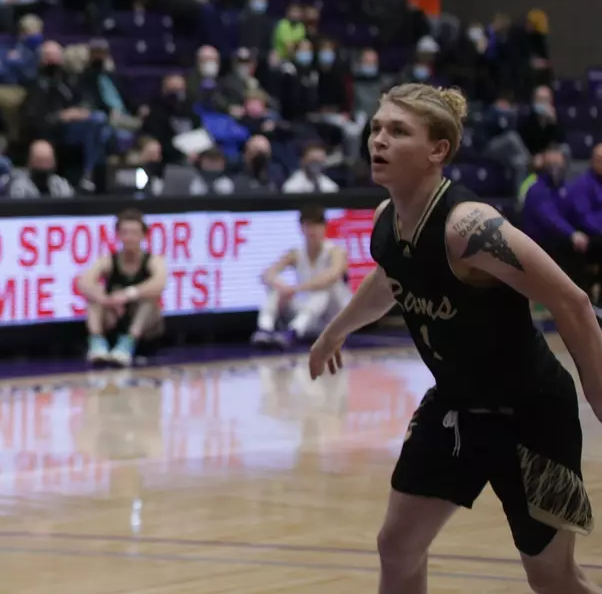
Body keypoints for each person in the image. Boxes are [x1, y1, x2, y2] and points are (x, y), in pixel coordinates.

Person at [309, 84, 602, 593]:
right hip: (455, 409)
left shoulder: (468, 227)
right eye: (376, 128)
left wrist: (599, 397)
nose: (379, 139)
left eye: (398, 131)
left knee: (551, 577)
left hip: (531, 416)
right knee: (397, 547)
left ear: (437, 150)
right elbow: (391, 279)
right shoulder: (387, 220)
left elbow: (572, 302)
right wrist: (334, 332)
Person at [76, 208, 167, 367]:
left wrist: (128, 294)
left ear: (143, 235)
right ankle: (97, 343)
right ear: (118, 235)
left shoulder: (153, 260)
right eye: (125, 233)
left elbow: (160, 283)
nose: (129, 238)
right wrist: (105, 299)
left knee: (151, 296)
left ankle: (128, 342)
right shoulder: (109, 260)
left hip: (143, 326)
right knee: (94, 291)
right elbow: (83, 282)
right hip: (115, 320)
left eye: (134, 233)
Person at [252, 204, 350, 348]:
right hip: (309, 317)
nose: (313, 231)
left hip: (332, 318)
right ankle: (265, 329)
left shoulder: (336, 251)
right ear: (301, 228)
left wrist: (297, 289)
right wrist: (282, 287)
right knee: (275, 288)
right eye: (308, 226)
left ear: (324, 227)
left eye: (316, 226)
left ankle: (293, 332)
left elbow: (332, 275)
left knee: (323, 291)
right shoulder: (296, 253)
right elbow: (267, 274)